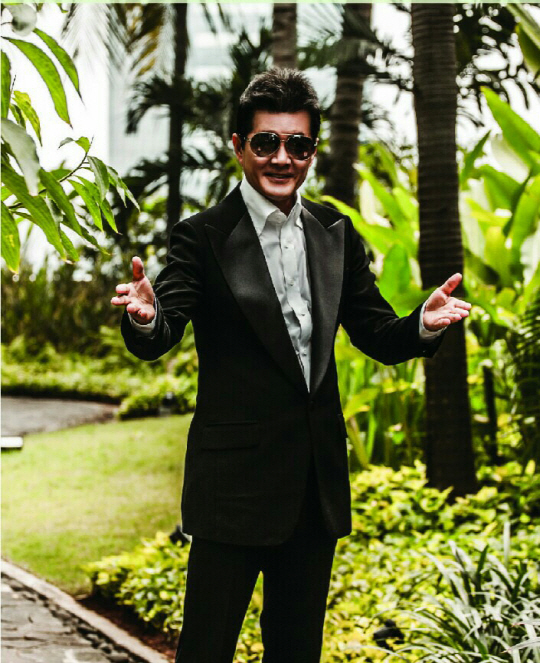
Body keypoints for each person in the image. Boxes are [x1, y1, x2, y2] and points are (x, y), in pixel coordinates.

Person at [111, 68, 471, 663]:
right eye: (267, 142)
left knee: (297, 653)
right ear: (238, 146)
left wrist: (422, 325)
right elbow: (161, 331)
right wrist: (147, 317)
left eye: (298, 144)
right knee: (206, 651)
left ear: (312, 151)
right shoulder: (201, 237)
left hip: (313, 489)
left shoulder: (335, 233)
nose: (283, 158)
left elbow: (377, 332)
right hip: (232, 490)